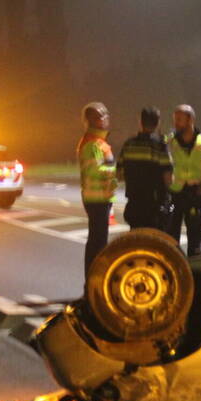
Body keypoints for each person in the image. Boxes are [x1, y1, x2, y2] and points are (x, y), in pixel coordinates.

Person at [165, 104, 201, 256]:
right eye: (175, 120)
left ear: (191, 120)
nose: (175, 124)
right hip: (176, 194)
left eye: (179, 120)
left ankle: (194, 272)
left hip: (196, 195)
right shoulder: (170, 139)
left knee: (195, 242)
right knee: (171, 241)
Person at [77, 102, 117, 277]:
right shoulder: (92, 144)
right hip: (96, 200)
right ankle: (92, 281)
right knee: (97, 244)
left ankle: (94, 279)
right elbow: (95, 170)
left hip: (101, 198)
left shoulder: (99, 142)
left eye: (105, 115)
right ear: (91, 121)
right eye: (100, 116)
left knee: (99, 242)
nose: (105, 118)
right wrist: (117, 171)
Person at [116, 107, 173, 230]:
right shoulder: (160, 146)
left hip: (134, 204)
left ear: (140, 122)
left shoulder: (128, 144)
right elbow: (168, 177)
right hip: (155, 205)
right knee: (155, 241)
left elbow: (119, 175)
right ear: (158, 123)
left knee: (136, 238)